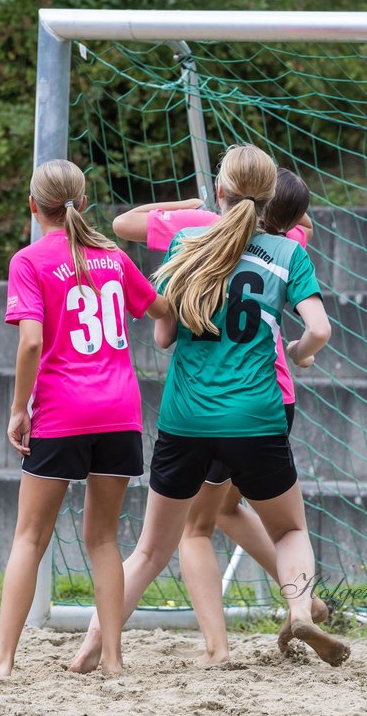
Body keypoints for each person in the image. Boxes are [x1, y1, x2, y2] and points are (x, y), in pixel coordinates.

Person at [68, 145, 350, 672]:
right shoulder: (290, 253)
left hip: (186, 419)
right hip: (257, 417)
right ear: (270, 199)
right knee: (289, 530)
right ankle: (299, 608)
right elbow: (320, 330)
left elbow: (163, 335)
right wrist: (298, 354)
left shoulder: (185, 241)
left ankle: (90, 650)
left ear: (218, 192)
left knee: (151, 552)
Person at [0, 159, 173, 678]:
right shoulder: (113, 256)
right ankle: (114, 659)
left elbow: (30, 342)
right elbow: (160, 309)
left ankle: (4, 662)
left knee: (30, 537)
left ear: (33, 205)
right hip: (120, 411)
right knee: (103, 540)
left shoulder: (29, 260)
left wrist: (17, 408)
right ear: (85, 203)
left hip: (62, 411)